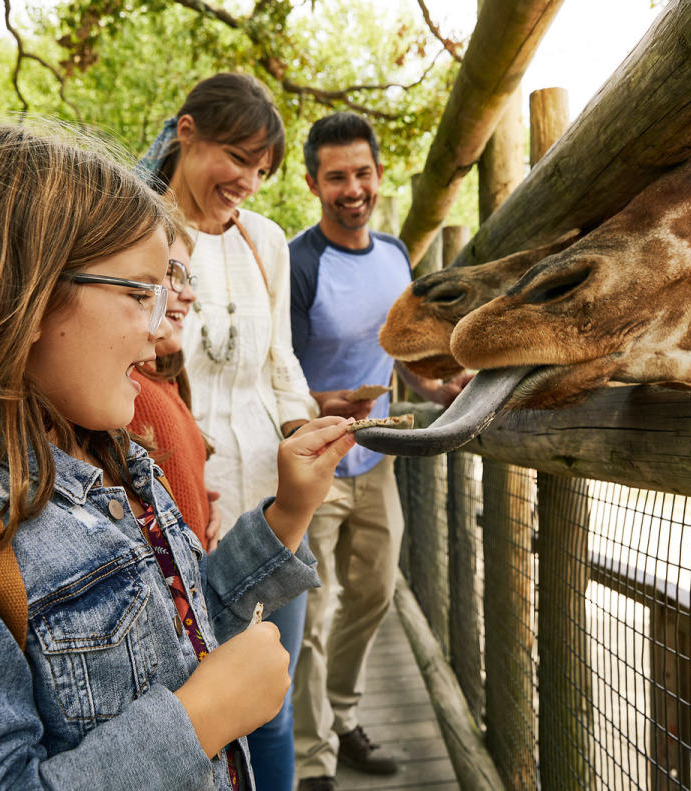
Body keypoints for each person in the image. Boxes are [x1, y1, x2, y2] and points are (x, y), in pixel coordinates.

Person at [0, 121, 355, 791]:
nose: (157, 332)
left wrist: (289, 512)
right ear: (24, 298)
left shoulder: (114, 463)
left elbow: (170, 629)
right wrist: (200, 717)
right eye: (138, 293)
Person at [136, 72, 316, 791]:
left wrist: (307, 431)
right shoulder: (135, 232)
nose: (247, 180)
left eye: (261, 169)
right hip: (176, 495)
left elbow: (281, 362)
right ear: (186, 134)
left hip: (270, 504)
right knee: (188, 705)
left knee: (272, 697)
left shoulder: (266, 242)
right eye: (236, 158)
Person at [288, 112, 466, 791]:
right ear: (313, 183)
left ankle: (342, 713)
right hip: (314, 457)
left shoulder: (395, 254)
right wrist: (324, 401)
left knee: (373, 592)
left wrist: (437, 382)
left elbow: (402, 346)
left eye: (362, 173)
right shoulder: (301, 263)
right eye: (336, 177)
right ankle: (313, 760)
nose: (352, 187)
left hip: (378, 451)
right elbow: (279, 371)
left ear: (379, 175)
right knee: (315, 606)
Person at [128, 221, 222, 550]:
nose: (190, 293)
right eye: (172, 272)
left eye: (188, 277)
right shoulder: (129, 389)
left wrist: (198, 499)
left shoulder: (161, 377)